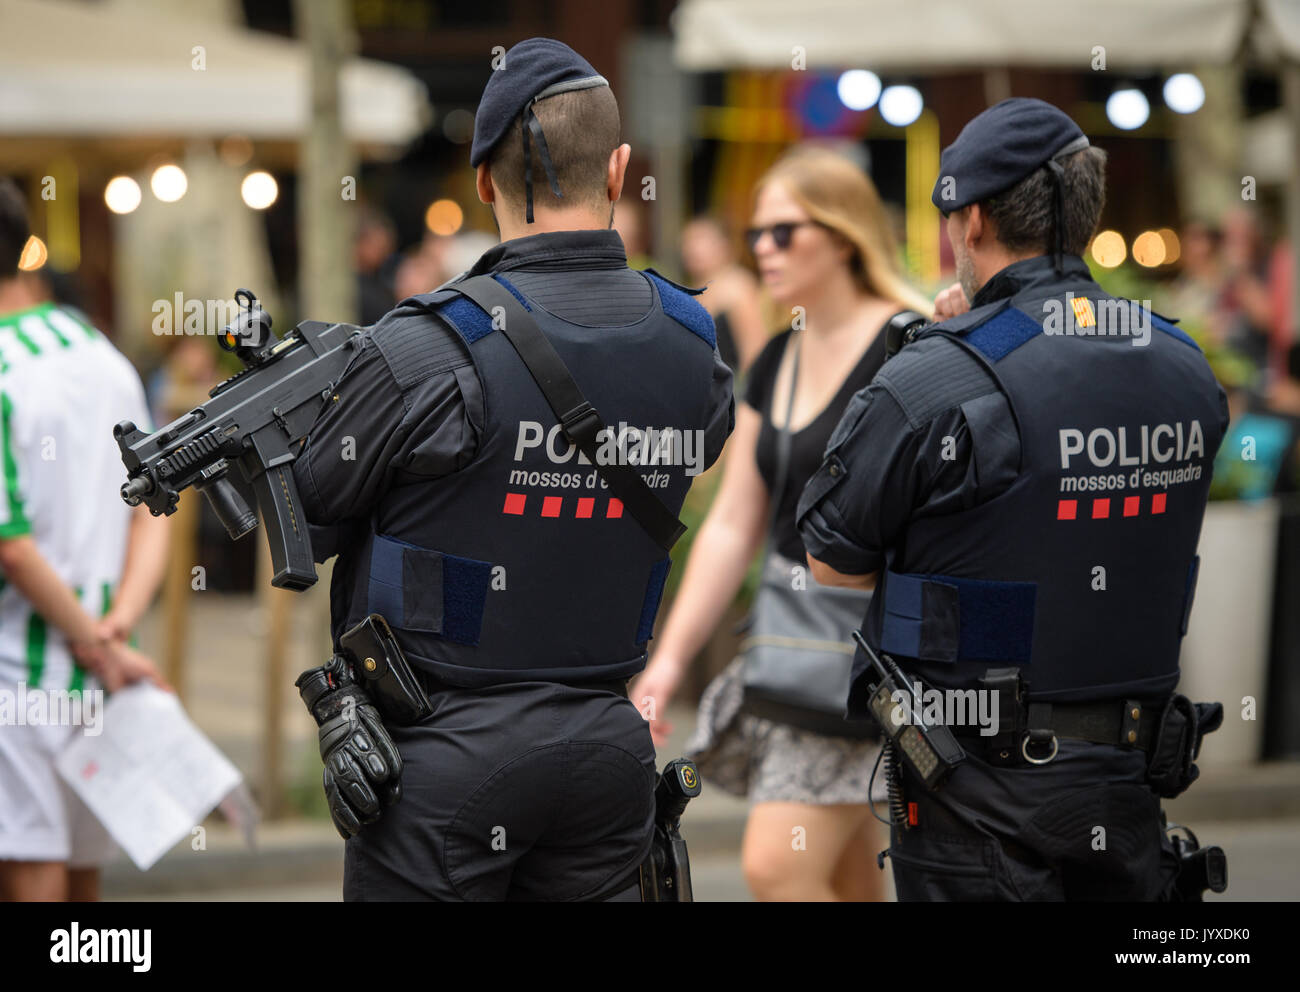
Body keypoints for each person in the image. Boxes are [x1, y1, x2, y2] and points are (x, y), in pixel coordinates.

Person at [290, 38, 733, 901]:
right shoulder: (692, 339)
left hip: (441, 759)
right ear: (619, 167)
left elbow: (306, 516)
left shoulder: (424, 343)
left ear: (484, 182)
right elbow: (701, 441)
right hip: (609, 750)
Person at [798, 98, 1230, 901]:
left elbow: (831, 561)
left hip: (979, 795)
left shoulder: (936, 378)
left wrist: (931, 355)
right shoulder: (1183, 365)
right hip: (1131, 782)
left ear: (973, 221)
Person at [632, 147, 932, 901]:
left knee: (776, 865)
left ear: (841, 234)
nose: (762, 249)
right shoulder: (777, 361)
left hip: (881, 662)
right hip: (795, 650)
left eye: (783, 232)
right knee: (847, 878)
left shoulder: (913, 344)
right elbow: (736, 521)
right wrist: (668, 663)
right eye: (755, 234)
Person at [0, 178, 170, 902]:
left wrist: (92, 641)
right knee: (80, 873)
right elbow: (150, 507)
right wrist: (117, 628)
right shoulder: (101, 353)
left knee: (30, 866)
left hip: (17, 673)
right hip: (105, 668)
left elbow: (11, 545)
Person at [680, 216, 767, 373]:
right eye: (688, 241)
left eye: (702, 239)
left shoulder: (738, 285)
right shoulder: (689, 291)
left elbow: (755, 352)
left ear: (724, 245)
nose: (693, 248)